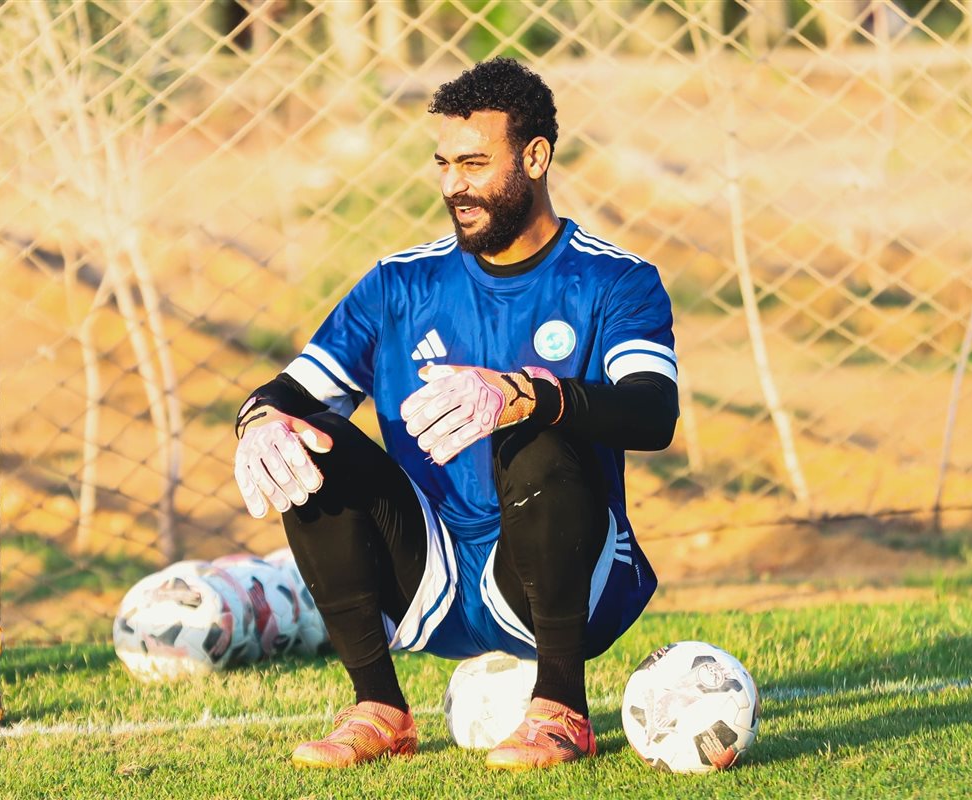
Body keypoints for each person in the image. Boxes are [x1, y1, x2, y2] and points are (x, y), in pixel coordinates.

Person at [233, 57, 678, 771]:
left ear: (535, 158)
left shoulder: (613, 279)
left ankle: (561, 709)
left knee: (533, 432)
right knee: (306, 441)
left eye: (474, 164)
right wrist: (259, 422)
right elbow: (294, 393)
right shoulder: (398, 283)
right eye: (443, 163)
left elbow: (655, 412)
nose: (452, 185)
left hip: (563, 576)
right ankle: (378, 708)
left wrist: (529, 394)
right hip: (428, 572)